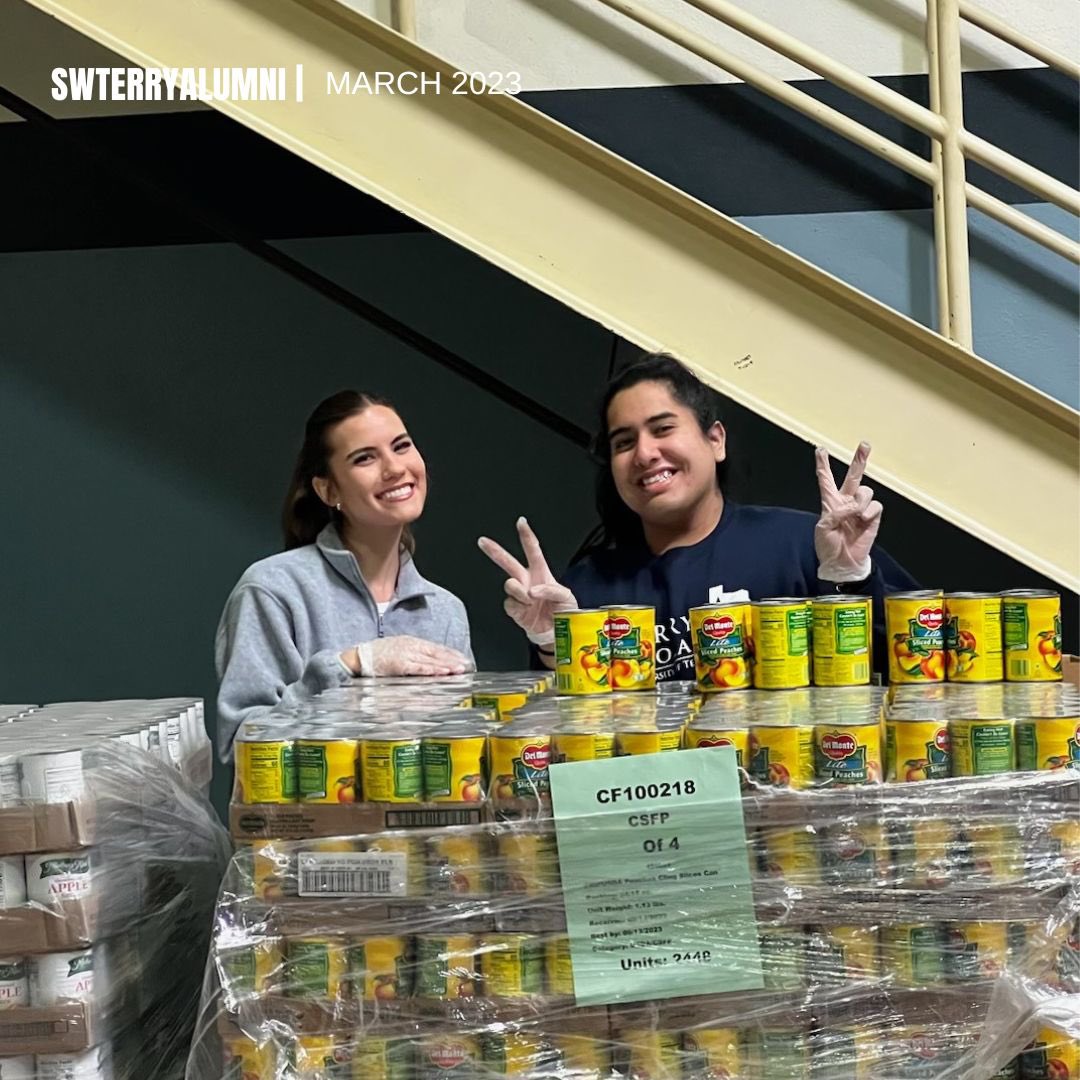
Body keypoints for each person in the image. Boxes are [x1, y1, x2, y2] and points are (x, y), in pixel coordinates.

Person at [478, 353, 917, 681]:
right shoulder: (585, 590)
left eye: (663, 429)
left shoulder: (804, 544)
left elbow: (914, 667)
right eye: (623, 442)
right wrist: (554, 645)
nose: (646, 454)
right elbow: (565, 741)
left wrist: (852, 579)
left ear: (715, 440)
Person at [215, 390, 473, 757]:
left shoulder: (445, 611)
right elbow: (241, 742)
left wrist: (548, 644)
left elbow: (464, 747)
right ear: (328, 489)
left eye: (401, 446)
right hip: (311, 816)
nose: (395, 468)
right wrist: (349, 665)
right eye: (365, 458)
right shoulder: (273, 590)